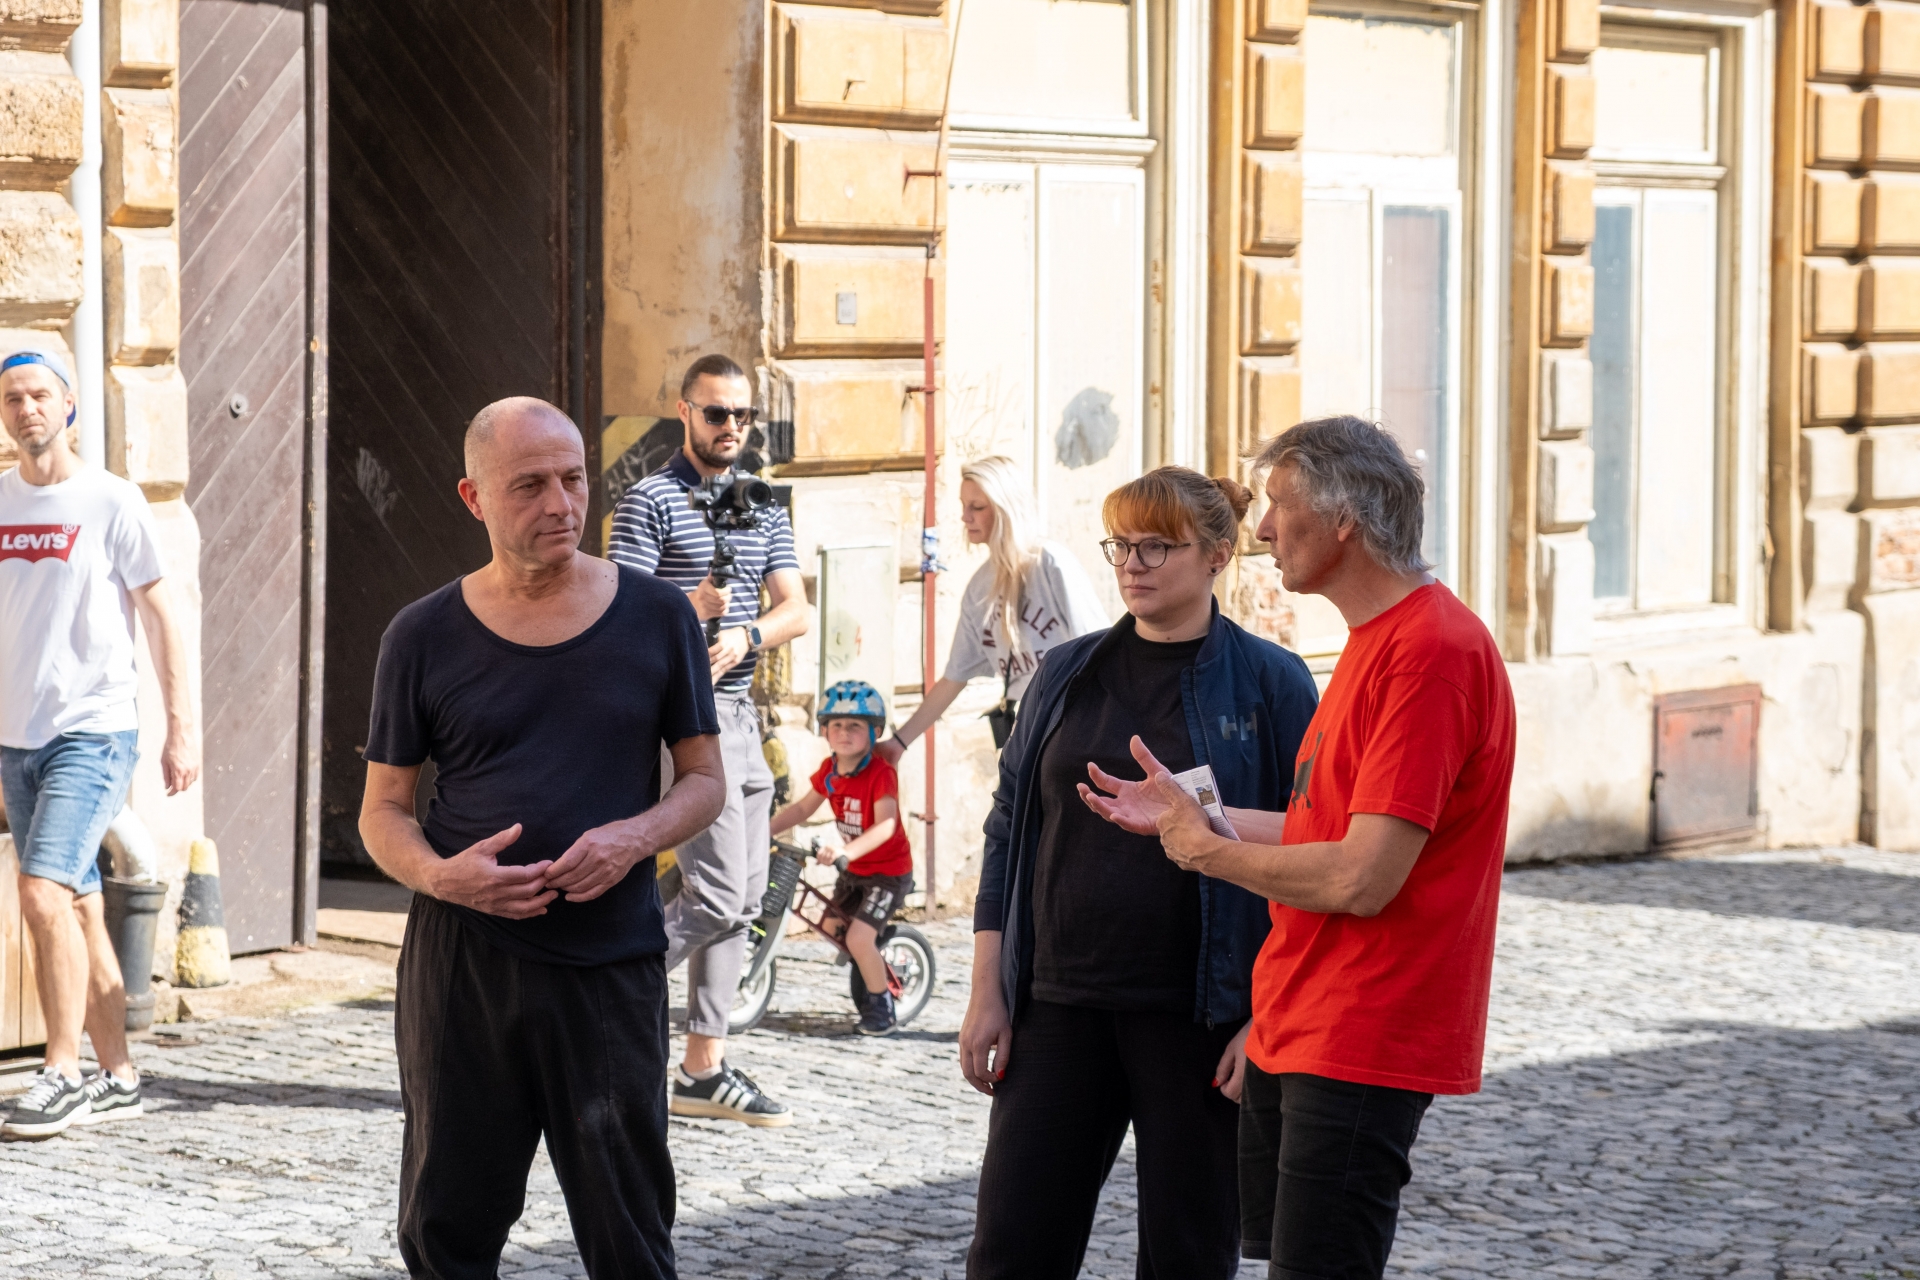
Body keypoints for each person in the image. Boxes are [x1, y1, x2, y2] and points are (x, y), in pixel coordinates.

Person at [1082, 416, 1518, 1279]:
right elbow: (1328, 831)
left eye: (1281, 504)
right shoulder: (1374, 642)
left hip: (1365, 1028)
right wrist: (1195, 815)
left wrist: (1204, 853)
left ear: (1345, 519)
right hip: (1307, 1015)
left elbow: (1362, 877)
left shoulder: (1430, 653)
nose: (1265, 527)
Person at [358, 397, 726, 1278]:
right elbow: (383, 810)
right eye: (529, 486)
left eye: (573, 479)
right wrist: (442, 877)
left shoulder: (658, 616)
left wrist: (634, 837)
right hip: (463, 965)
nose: (561, 504)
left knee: (629, 1227)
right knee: (445, 1225)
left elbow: (705, 781)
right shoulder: (421, 634)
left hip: (608, 961)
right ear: (474, 498)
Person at [960, 467, 1320, 1279]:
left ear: (1218, 554)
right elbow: (1008, 829)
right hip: (1058, 1005)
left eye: (1157, 546)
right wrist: (990, 991)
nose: (1133, 563)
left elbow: (1312, 852)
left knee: (1187, 1256)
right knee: (1011, 1250)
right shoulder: (1065, 672)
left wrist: (1266, 1020)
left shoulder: (1271, 683)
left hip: (1200, 1020)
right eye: (1121, 544)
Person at [607, 352, 812, 1127]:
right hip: (682, 720)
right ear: (685, 413)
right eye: (716, 412)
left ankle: (702, 1068)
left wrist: (747, 634)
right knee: (720, 895)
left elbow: (795, 608)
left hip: (742, 717)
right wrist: (689, 610)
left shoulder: (761, 501)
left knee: (744, 900)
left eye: (743, 415)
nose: (731, 427)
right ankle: (592, 994)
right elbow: (620, 615)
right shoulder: (649, 500)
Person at [0, 349, 198, 1139]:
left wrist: (181, 728)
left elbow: (163, 614)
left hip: (93, 731)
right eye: (12, 398)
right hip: (15, 739)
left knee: (42, 892)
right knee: (78, 902)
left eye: (39, 395)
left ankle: (62, 1072)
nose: (26, 409)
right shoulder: (0, 499)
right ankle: (118, 1075)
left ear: (70, 405)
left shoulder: (112, 500)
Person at [876, 455, 1106, 765]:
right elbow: (954, 677)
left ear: (1005, 509)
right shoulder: (979, 588)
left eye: (977, 507)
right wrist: (898, 743)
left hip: (1071, 727)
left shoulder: (1050, 564)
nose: (965, 517)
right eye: (963, 506)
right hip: (1023, 734)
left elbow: (1100, 649)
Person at [768, 679, 913, 1036]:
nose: (844, 733)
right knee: (833, 927)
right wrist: (762, 831)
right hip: (854, 872)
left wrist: (845, 850)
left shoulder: (880, 773)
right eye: (836, 725)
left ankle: (882, 1010)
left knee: (858, 939)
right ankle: (872, 953)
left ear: (875, 732)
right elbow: (802, 808)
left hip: (887, 874)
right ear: (824, 730)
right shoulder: (830, 771)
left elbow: (885, 826)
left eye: (855, 726)